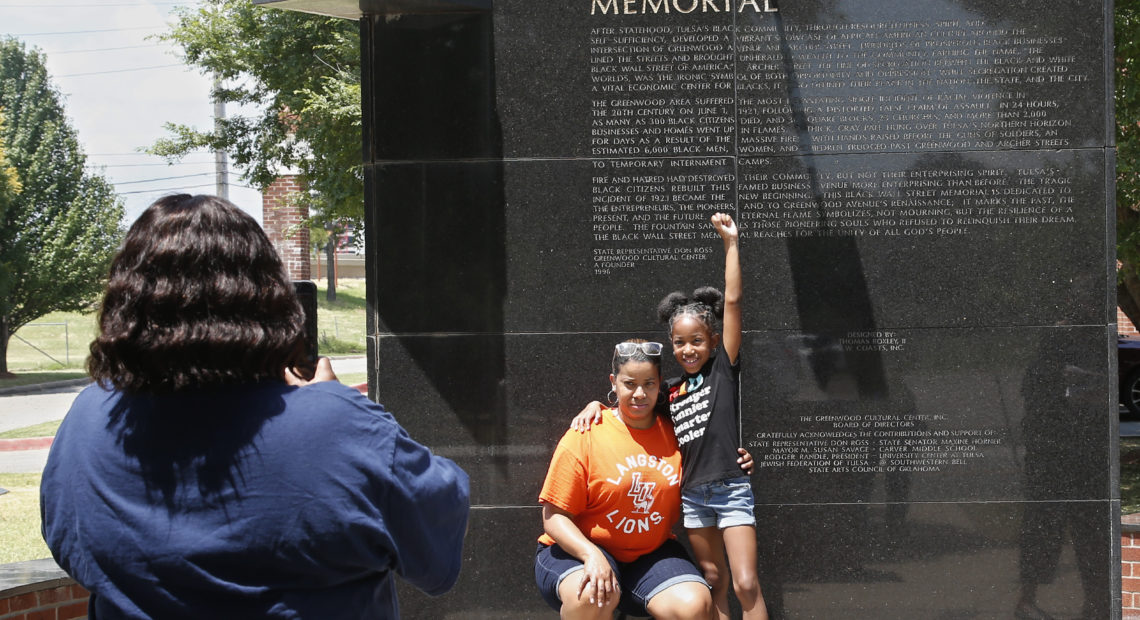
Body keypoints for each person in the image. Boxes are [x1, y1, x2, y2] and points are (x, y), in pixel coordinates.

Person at [40, 194, 470, 619]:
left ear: (127, 300)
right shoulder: (333, 423)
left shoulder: (91, 416)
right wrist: (336, 405)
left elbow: (68, 545)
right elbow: (434, 538)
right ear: (267, 297)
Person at [573, 213, 768, 620]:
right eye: (679, 342)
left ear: (713, 341)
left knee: (745, 582)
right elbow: (632, 404)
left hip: (731, 489)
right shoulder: (670, 390)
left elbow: (732, 302)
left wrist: (731, 245)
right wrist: (596, 406)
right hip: (693, 495)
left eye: (697, 340)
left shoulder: (722, 371)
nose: (688, 349)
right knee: (713, 578)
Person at [536, 340, 713, 620]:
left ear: (659, 385)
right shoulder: (586, 432)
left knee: (695, 606)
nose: (639, 393)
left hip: (649, 555)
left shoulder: (677, 433)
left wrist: (738, 462)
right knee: (592, 596)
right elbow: (554, 516)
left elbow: (714, 455)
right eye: (629, 384)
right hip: (578, 551)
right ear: (614, 382)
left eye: (649, 384)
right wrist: (590, 555)